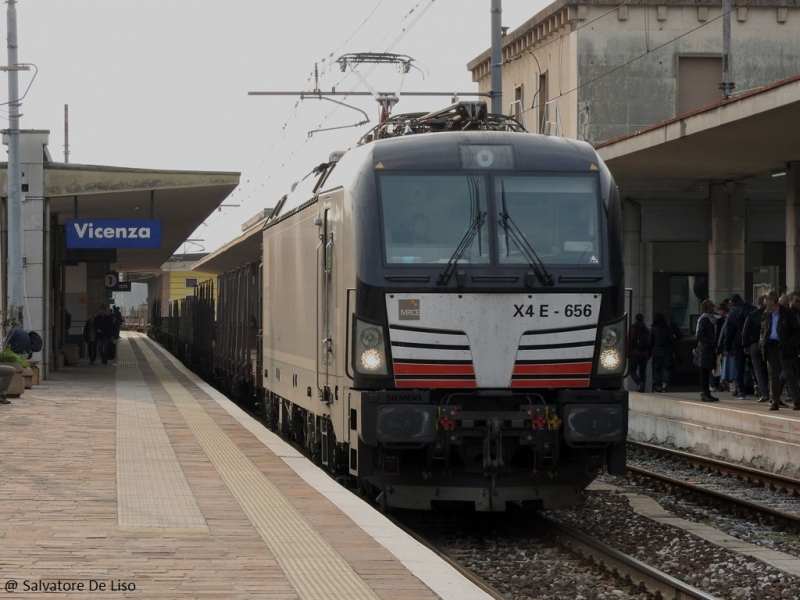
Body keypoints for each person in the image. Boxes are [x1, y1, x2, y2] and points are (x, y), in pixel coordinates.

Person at [759, 291, 800, 411]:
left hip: (784, 347)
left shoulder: (787, 313)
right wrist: (762, 340)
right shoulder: (766, 313)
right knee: (773, 375)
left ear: (772, 301)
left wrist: (790, 344)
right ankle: (774, 401)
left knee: (788, 374)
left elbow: (796, 331)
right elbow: (763, 328)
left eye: (766, 299)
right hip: (771, 346)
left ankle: (796, 401)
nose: (764, 302)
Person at [723, 292, 755, 399]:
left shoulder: (732, 314)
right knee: (754, 366)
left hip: (738, 344)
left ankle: (741, 390)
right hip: (751, 342)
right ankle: (757, 385)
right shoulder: (752, 309)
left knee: (739, 368)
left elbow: (728, 332)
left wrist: (727, 347)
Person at [742, 294, 769, 402]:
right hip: (767, 344)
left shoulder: (751, 315)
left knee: (758, 370)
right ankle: (772, 392)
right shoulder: (769, 314)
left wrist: (745, 345)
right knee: (769, 369)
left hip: (754, 344)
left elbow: (745, 332)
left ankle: (764, 393)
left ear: (756, 304)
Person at [693, 299, 719, 402]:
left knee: (706, 371)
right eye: (711, 307)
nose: (713, 309)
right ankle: (705, 392)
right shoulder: (704, 319)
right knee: (704, 371)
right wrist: (711, 342)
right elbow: (700, 335)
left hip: (708, 348)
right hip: (704, 349)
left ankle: (706, 392)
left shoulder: (711, 319)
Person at [648, 313, 676, 393]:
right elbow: (671, 339)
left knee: (657, 369)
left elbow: (650, 341)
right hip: (666, 350)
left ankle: (658, 386)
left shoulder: (653, 329)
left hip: (656, 350)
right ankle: (665, 385)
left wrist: (649, 352)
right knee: (665, 368)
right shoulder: (667, 328)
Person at [627, 313, 650, 393]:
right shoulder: (646, 330)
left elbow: (629, 342)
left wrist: (628, 354)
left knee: (631, 371)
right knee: (642, 371)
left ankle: (640, 384)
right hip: (645, 354)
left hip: (635, 353)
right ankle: (642, 387)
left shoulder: (633, 329)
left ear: (635, 319)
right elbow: (649, 343)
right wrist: (649, 354)